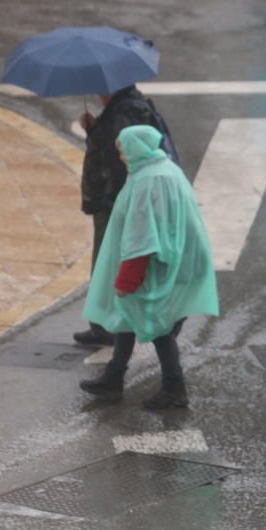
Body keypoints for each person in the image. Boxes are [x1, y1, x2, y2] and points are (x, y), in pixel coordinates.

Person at [79, 125, 218, 409]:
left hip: (155, 268)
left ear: (136, 149)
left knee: (156, 325)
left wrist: (126, 280)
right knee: (129, 318)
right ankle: (113, 377)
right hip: (178, 261)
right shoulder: (164, 169)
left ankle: (174, 388)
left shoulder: (147, 182)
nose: (120, 156)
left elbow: (141, 238)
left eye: (122, 150)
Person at [74, 84, 177, 346]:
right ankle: (108, 332)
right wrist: (94, 129)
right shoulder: (125, 108)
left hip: (114, 203)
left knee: (109, 265)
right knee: (107, 265)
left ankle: (108, 328)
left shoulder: (124, 112)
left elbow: (120, 159)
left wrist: (115, 201)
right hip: (113, 201)